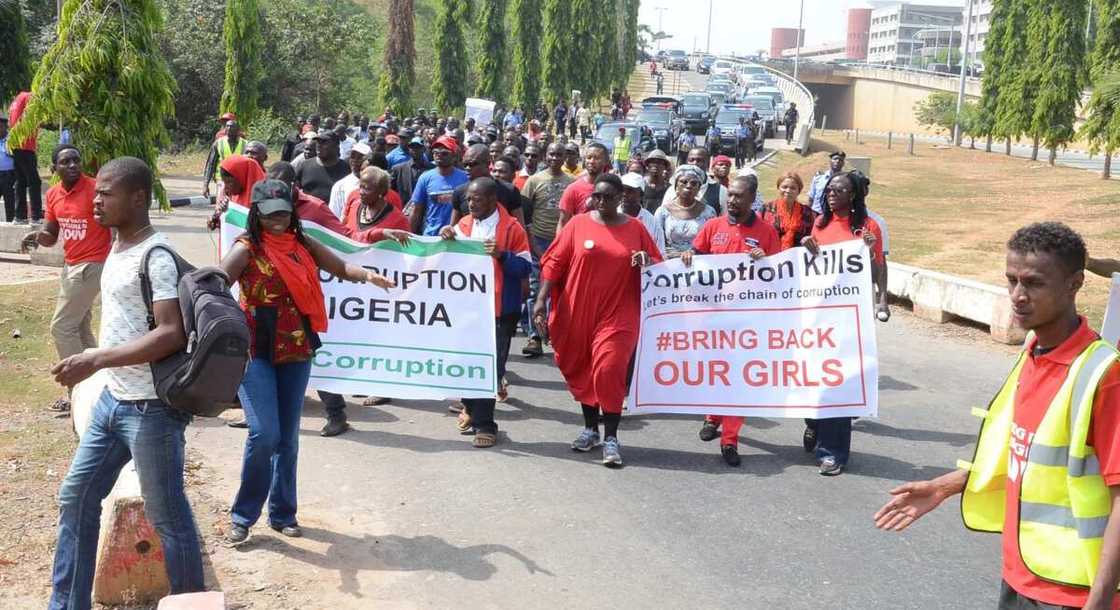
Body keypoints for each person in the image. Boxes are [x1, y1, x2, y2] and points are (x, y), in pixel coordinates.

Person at [874, 222, 1120, 610]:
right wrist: (947, 486)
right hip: (1020, 575)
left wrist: (1101, 603)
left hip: (1072, 593)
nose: (1018, 296)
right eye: (1011, 281)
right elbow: (1031, 458)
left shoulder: (1103, 374)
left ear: (1075, 284)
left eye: (1034, 284)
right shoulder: (1034, 351)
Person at [48, 157, 205, 607]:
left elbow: (170, 332)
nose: (96, 200)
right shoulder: (115, 246)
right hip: (113, 404)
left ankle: (191, 602)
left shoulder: (155, 256)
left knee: (168, 516)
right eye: (96, 192)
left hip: (151, 410)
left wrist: (97, 358)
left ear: (138, 198)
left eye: (107, 193)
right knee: (75, 499)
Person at [220, 179, 394, 545]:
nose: (278, 220)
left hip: (296, 348)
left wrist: (369, 276)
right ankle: (243, 515)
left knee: (288, 439)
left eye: (284, 212)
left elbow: (343, 267)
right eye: (270, 214)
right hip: (256, 350)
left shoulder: (301, 244)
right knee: (264, 433)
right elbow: (219, 279)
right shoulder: (247, 248)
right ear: (257, 214)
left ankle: (283, 513)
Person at [535, 173, 662, 467]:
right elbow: (555, 263)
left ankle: (612, 437)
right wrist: (541, 299)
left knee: (608, 368)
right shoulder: (578, 224)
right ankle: (590, 429)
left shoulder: (636, 228)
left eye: (608, 197)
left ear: (621, 198)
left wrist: (647, 260)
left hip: (620, 312)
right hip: (577, 309)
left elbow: (657, 265)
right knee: (584, 368)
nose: (601, 201)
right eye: (597, 196)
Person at [683, 174, 780, 466]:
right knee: (716, 371)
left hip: (746, 321)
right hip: (712, 317)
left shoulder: (766, 232)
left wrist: (766, 261)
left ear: (752, 199)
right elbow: (696, 254)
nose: (733, 200)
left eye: (739, 196)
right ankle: (712, 417)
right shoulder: (713, 226)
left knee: (738, 379)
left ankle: (730, 439)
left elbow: (780, 275)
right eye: (731, 195)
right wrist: (688, 256)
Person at [800, 170, 887, 475]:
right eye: (829, 190)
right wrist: (806, 246)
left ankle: (832, 453)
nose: (831, 194)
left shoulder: (867, 227)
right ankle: (814, 423)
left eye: (839, 190)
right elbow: (811, 269)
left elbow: (876, 274)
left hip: (848, 321)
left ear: (853, 196)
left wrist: (870, 250)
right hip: (817, 317)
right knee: (813, 380)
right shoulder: (820, 224)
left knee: (838, 384)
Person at [440, 178, 532, 447]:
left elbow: (526, 268)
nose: (471, 204)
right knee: (468, 362)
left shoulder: (512, 228)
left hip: (500, 311)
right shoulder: (464, 225)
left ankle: (486, 425)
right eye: (469, 199)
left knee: (489, 368)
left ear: (493, 200)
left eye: (477, 199)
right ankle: (470, 406)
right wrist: (447, 236)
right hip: (467, 309)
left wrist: (502, 255)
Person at [21, 145, 111, 414]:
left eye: (76, 159)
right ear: (54, 168)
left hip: (93, 264)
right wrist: (37, 235)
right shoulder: (53, 194)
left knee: (61, 327)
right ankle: (101, 387)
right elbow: (51, 233)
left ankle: (77, 393)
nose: (72, 165)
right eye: (65, 162)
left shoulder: (95, 189)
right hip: (70, 265)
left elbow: (115, 222)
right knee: (80, 328)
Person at [520, 143, 576, 358]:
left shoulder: (571, 184)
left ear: (565, 158)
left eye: (559, 155)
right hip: (538, 242)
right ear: (546, 155)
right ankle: (534, 336)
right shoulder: (534, 181)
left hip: (563, 244)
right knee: (536, 288)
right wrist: (533, 245)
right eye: (551, 154)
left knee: (560, 291)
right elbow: (524, 216)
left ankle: (554, 333)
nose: (555, 158)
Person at [653, 164, 719, 258]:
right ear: (676, 185)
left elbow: (712, 242)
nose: (688, 186)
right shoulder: (663, 212)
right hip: (669, 265)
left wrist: (693, 253)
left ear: (699, 188)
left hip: (700, 263)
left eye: (694, 183)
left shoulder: (709, 212)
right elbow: (656, 242)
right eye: (683, 182)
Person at [450, 144, 524, 227]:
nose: (467, 168)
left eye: (472, 164)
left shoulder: (509, 191)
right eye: (465, 164)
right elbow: (454, 228)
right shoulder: (459, 192)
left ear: (487, 163)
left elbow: (520, 228)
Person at [409, 136, 469, 236]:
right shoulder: (425, 178)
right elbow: (416, 211)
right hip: (431, 237)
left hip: (457, 237)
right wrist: (410, 236)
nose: (439, 155)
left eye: (444, 153)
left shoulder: (465, 178)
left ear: (454, 156)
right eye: (436, 152)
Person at [341, 166, 411, 242]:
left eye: (367, 188)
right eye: (360, 186)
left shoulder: (399, 220)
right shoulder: (354, 204)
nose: (361, 192)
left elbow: (404, 249)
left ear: (381, 191)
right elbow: (343, 231)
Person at [555, 142, 610, 235]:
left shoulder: (612, 187)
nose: (592, 161)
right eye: (589, 157)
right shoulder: (573, 188)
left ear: (606, 161)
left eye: (597, 158)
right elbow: (563, 222)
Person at [660, 147, 729, 215]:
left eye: (699, 160)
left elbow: (725, 219)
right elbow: (664, 214)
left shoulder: (721, 191)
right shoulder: (673, 189)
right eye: (691, 160)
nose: (695, 163)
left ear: (708, 164)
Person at [8, 91, 42, 223]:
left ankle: (20, 216)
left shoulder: (17, 100)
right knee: (34, 182)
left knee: (21, 181)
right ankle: (36, 216)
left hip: (16, 145)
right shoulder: (30, 97)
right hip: (26, 146)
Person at [760, 171, 816, 252]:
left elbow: (814, 235)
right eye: (784, 187)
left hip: (797, 260)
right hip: (771, 258)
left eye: (793, 188)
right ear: (778, 188)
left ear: (798, 191)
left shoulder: (808, 213)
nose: (788, 190)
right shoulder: (766, 209)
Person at [295, 130, 350, 203]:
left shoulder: (346, 168)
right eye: (318, 142)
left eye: (324, 142)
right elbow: (295, 191)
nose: (319, 145)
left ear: (336, 146)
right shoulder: (304, 166)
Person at [620, 172, 665, 257]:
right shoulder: (610, 216)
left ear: (641, 195)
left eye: (630, 191)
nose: (624, 194)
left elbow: (660, 255)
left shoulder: (652, 222)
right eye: (622, 190)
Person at [203, 120, 245, 201]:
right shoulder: (218, 143)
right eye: (227, 126)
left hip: (240, 182)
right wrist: (205, 185)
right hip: (222, 181)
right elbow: (210, 164)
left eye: (232, 126)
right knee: (220, 207)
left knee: (236, 208)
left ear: (238, 129)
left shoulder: (245, 144)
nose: (229, 128)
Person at [328, 142, 372, 220]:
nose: (355, 160)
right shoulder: (340, 185)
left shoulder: (376, 184)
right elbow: (334, 215)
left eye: (360, 157)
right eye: (352, 156)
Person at [390, 137, 433, 206]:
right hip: (404, 210)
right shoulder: (398, 169)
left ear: (424, 149)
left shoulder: (432, 169)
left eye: (418, 147)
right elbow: (390, 191)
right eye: (412, 147)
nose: (415, 150)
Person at [0, 116, 16, 222]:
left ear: (6, 127)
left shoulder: (12, 139)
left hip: (9, 175)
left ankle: (10, 223)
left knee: (9, 201)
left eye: (0, 126)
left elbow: (18, 155)